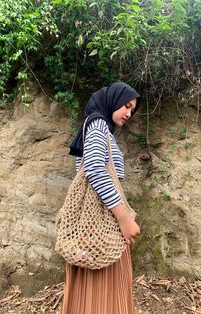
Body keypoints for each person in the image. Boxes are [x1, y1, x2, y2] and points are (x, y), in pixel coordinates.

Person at [61, 82, 141, 314]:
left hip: (96, 225)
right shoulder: (98, 125)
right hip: (99, 227)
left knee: (92, 294)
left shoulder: (100, 128)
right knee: (101, 293)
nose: (128, 113)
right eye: (126, 105)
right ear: (112, 100)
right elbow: (94, 170)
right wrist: (124, 218)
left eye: (132, 109)